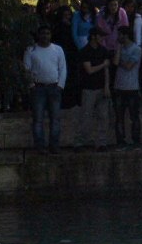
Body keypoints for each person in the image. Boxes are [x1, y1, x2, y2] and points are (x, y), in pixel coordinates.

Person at [22, 25, 67, 153]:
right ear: (38, 35)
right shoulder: (31, 50)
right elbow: (26, 69)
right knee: (38, 119)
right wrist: (31, 85)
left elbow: (63, 68)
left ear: (51, 35)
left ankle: (54, 146)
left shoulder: (58, 49)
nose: (45, 36)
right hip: (38, 89)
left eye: (48, 33)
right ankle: (40, 146)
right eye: (43, 33)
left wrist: (60, 85)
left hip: (54, 87)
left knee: (56, 119)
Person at [77, 28, 112, 150]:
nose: (102, 38)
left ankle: (102, 143)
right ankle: (81, 142)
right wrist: (103, 65)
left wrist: (107, 86)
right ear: (93, 36)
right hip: (88, 88)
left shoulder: (104, 51)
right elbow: (89, 70)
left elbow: (106, 70)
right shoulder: (85, 51)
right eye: (100, 36)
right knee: (86, 116)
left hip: (102, 87)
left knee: (103, 116)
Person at [112, 25, 142, 148]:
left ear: (126, 35)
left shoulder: (136, 49)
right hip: (119, 87)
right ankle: (120, 141)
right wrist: (118, 51)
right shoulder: (119, 48)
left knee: (134, 116)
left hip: (132, 87)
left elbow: (129, 66)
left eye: (120, 35)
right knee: (119, 117)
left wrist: (120, 60)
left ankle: (136, 141)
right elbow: (114, 62)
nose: (118, 37)